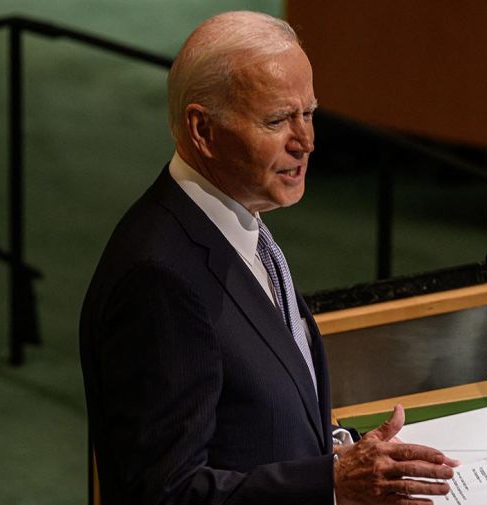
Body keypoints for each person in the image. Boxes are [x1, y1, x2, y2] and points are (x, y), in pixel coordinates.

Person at [79, 11, 457, 505]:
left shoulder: (237, 223)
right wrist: (331, 484)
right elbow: (164, 494)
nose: (306, 142)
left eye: (309, 113)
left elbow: (258, 415)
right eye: (277, 120)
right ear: (203, 130)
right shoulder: (157, 278)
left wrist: (339, 456)